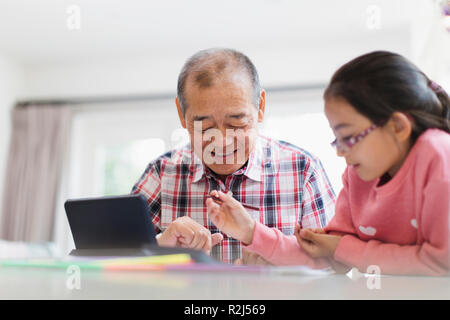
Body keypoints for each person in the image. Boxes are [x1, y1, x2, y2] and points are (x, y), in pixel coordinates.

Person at [207, 51, 450, 275]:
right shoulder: (357, 176)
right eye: (337, 140)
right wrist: (251, 231)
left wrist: (344, 248)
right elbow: (328, 256)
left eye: (349, 137)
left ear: (398, 127)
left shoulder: (438, 153)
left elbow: (440, 262)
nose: (341, 153)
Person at [132, 48, 336, 263]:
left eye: (236, 122)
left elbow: (334, 267)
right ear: (182, 115)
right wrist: (160, 244)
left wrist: (283, 275)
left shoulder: (303, 170)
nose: (222, 141)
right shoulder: (161, 174)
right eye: (205, 126)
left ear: (260, 107)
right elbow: (114, 264)